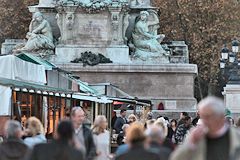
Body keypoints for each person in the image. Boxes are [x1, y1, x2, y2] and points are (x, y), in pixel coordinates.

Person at [170, 96, 240, 160]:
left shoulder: (236, 137)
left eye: (208, 116)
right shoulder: (195, 136)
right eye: (202, 116)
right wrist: (190, 144)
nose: (205, 121)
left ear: (221, 117)